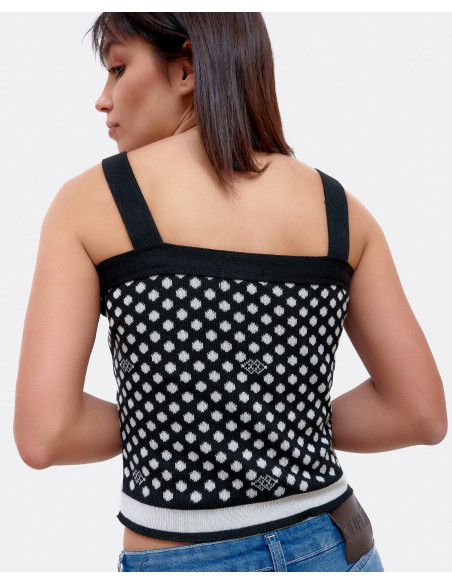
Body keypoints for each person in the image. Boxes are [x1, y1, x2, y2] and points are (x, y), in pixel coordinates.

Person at [13, 12, 447, 572]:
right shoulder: (339, 207)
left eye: (118, 69)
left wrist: (180, 418)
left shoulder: (91, 201)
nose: (103, 99)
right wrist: (274, 417)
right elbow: (418, 413)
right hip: (336, 545)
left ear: (186, 71)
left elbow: (45, 435)